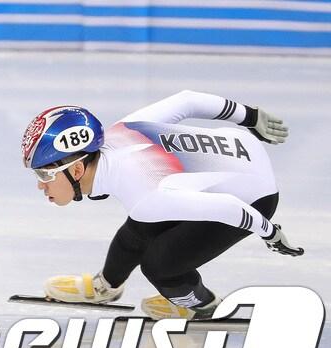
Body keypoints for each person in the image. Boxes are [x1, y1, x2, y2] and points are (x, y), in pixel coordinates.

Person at [22, 91, 303, 319]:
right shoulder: (121, 131)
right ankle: (105, 287)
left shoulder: (145, 196)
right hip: (241, 149)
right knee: (138, 231)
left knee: (159, 264)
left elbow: (228, 207)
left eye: (44, 174)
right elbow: (187, 99)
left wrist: (270, 233)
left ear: (78, 170)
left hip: (254, 197)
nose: (40, 185)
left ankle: (204, 305)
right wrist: (250, 116)